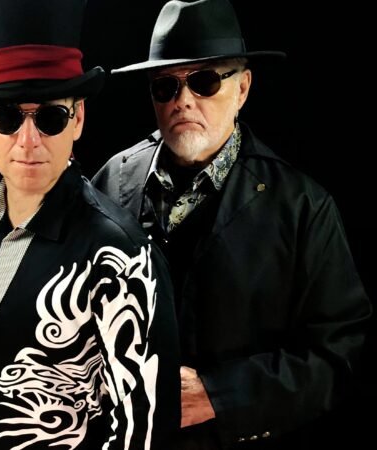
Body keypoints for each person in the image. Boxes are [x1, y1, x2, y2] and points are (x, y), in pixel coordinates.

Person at [92, 0, 372, 448]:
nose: (183, 100)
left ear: (242, 88)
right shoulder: (111, 180)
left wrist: (219, 396)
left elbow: (337, 355)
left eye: (204, 81)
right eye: (165, 86)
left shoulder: (302, 207)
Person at [0, 1, 180, 449]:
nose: (28, 141)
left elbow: (145, 428)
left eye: (50, 117)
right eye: (7, 116)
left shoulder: (120, 255)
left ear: (78, 118)